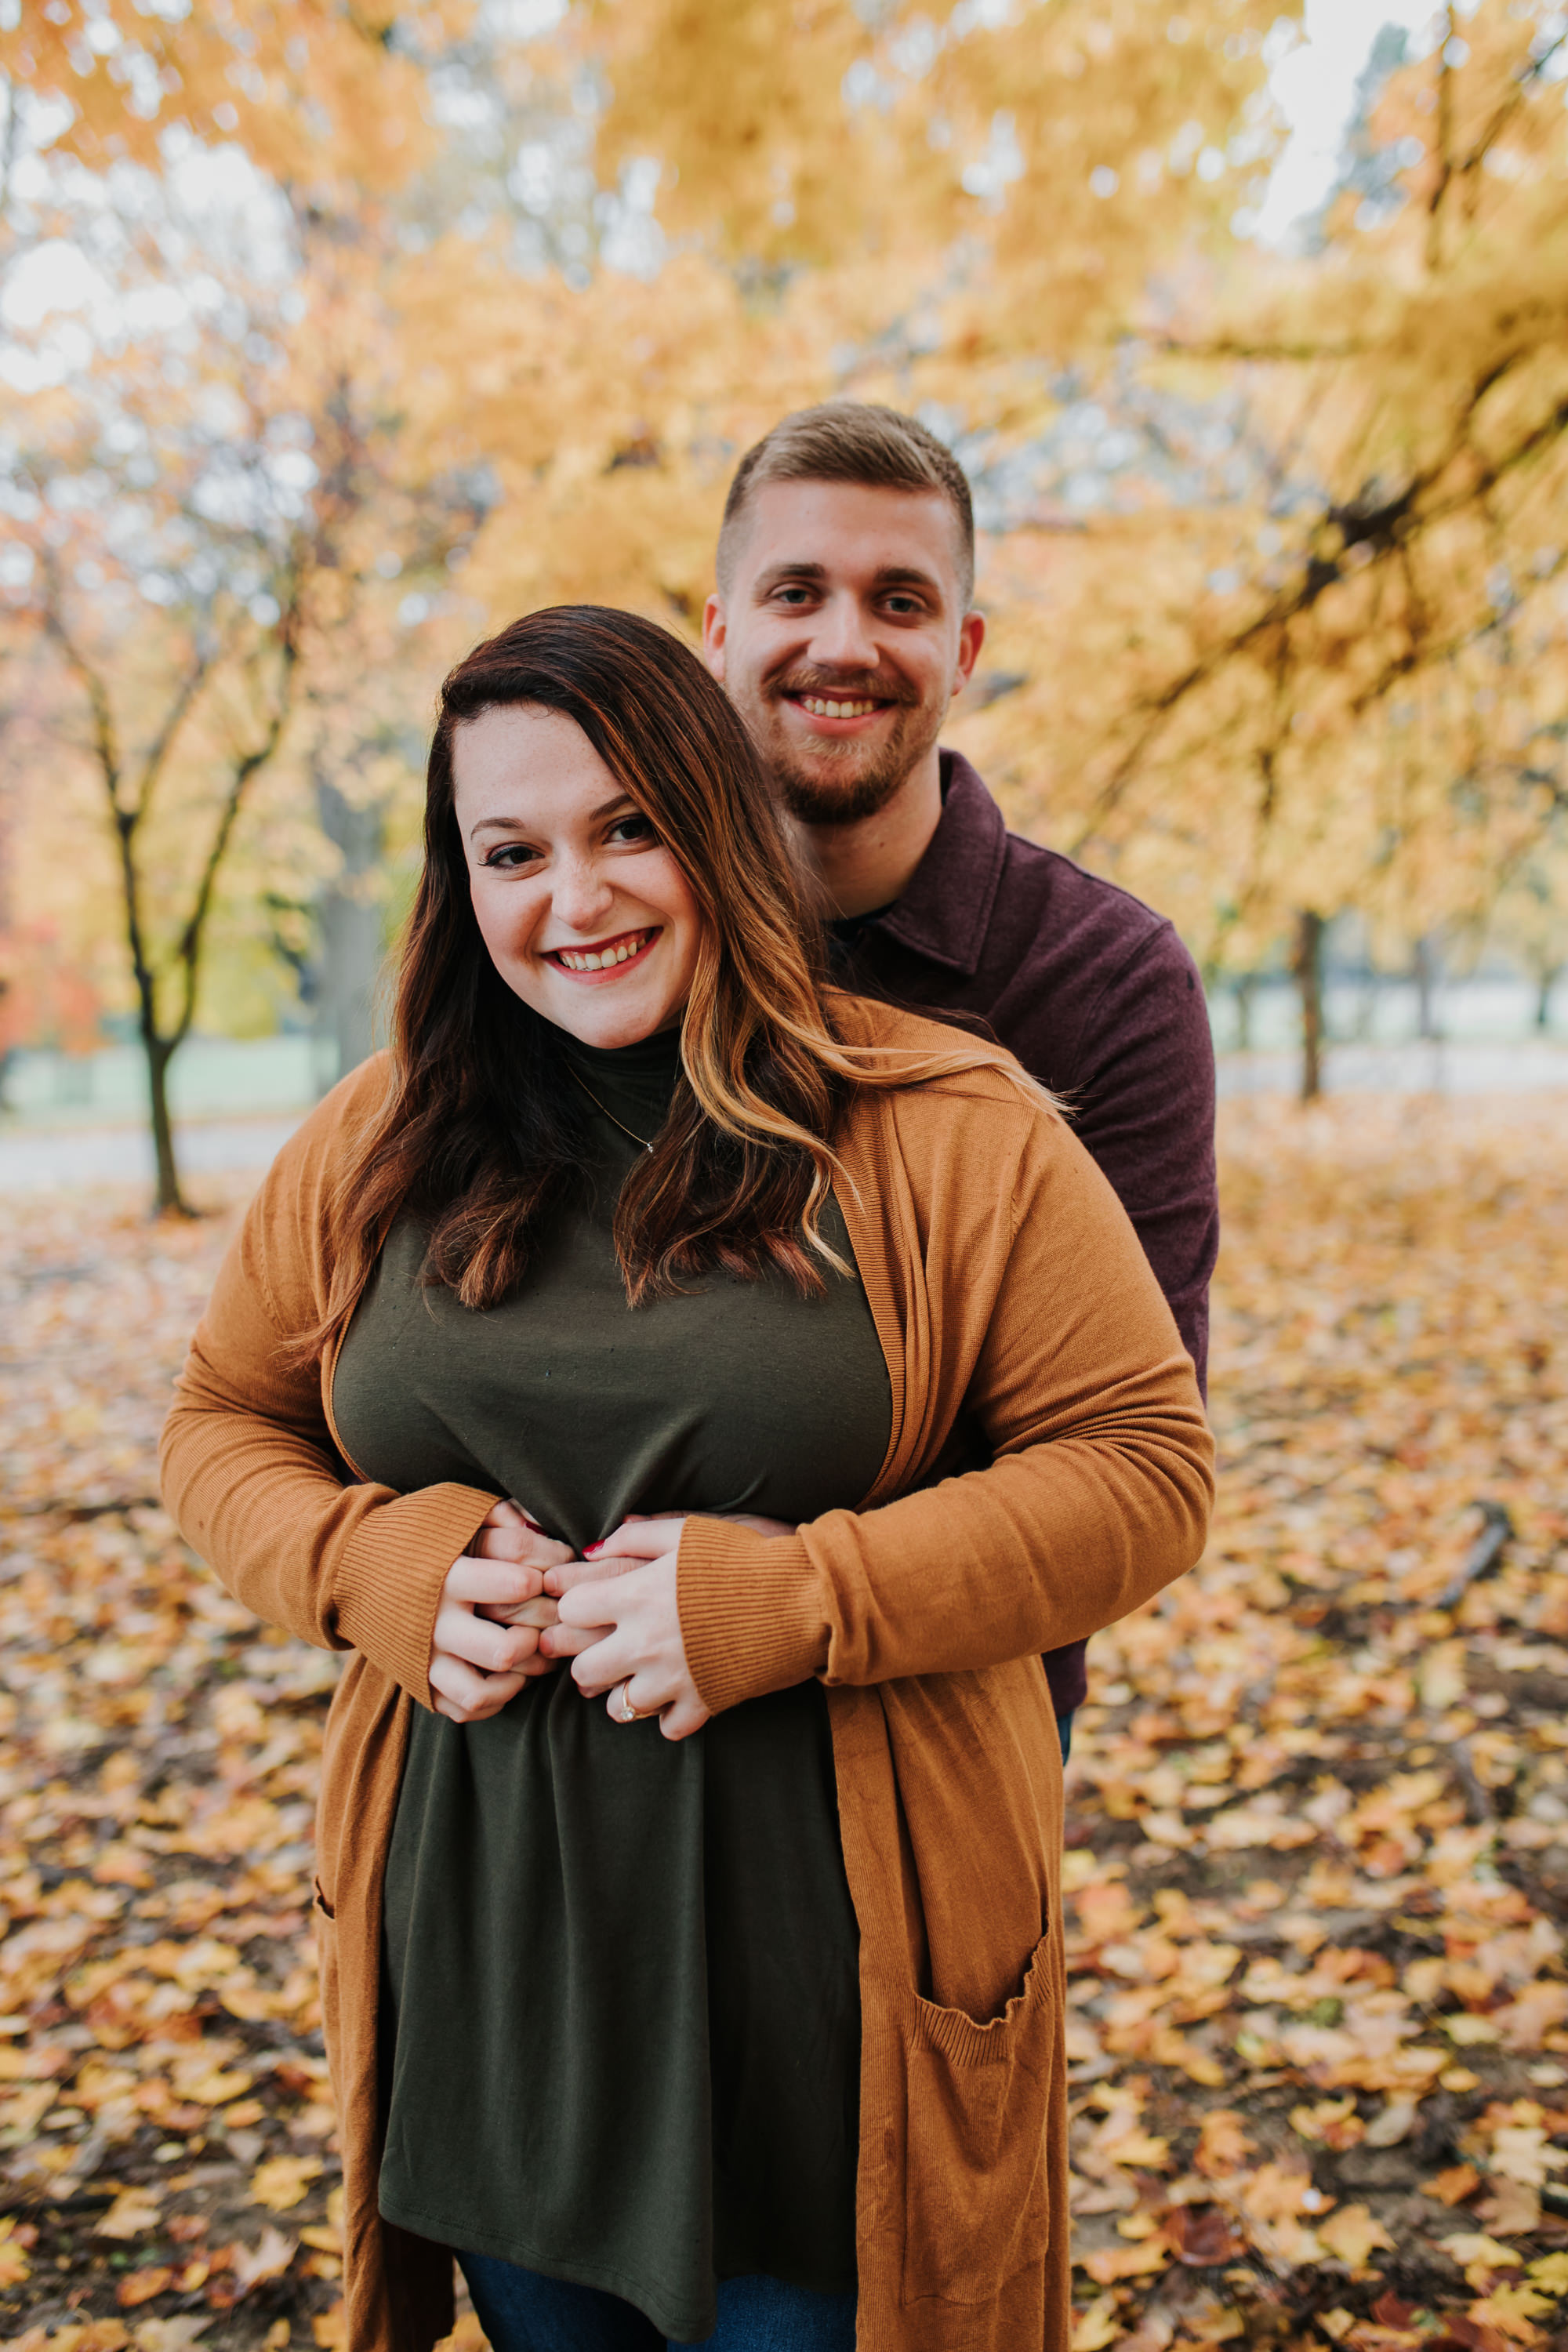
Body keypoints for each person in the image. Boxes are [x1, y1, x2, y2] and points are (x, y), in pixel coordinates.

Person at [159, 606, 1213, 2352]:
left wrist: (801, 1600)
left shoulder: (948, 1130)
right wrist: (369, 1568)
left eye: (626, 826)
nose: (574, 901)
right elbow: (217, 1427)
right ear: (462, 881)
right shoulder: (375, 1140)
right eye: (512, 851)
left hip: (827, 2015)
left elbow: (1143, 1471)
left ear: (717, 821)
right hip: (495, 1991)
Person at [702, 404, 1220, 1756]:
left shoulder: (1108, 983)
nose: (844, 643)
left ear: (964, 651)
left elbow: (1124, 1471)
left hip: (940, 1752)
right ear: (717, 633)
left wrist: (792, 1594)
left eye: (901, 600)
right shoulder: (608, 944)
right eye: (796, 592)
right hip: (605, 1735)